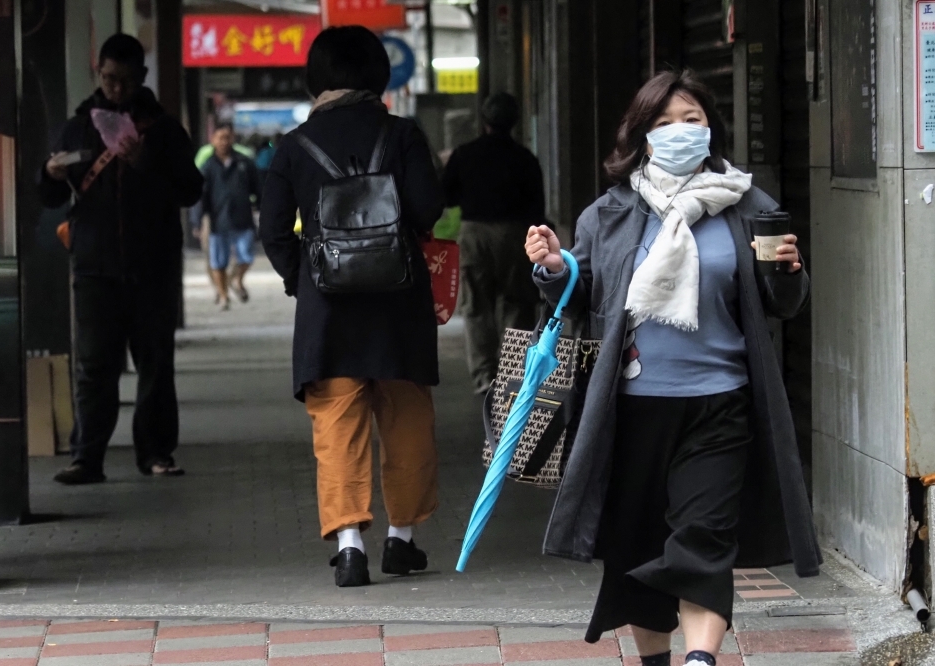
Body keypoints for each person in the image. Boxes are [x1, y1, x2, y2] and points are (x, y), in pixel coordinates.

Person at [524, 69, 820, 666]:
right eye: (664, 123)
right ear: (641, 135)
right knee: (637, 545)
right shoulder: (609, 213)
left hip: (721, 401)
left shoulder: (747, 205)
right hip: (633, 408)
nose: (681, 132)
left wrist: (789, 272)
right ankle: (658, 658)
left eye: (693, 120)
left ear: (712, 128)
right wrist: (554, 267)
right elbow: (581, 295)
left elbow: (780, 305)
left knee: (704, 537)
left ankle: (701, 659)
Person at [260, 26, 444, 587]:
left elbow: (273, 232)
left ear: (315, 79)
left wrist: (307, 283)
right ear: (378, 76)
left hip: (329, 315)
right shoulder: (403, 134)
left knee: (337, 427)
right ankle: (402, 541)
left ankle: (349, 548)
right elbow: (427, 208)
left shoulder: (292, 147)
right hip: (398, 307)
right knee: (406, 417)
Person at [39, 34, 203, 484]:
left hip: (153, 267)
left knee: (154, 363)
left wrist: (145, 162)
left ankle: (155, 453)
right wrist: (49, 174)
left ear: (141, 79)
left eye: (125, 81)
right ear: (99, 73)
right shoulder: (78, 127)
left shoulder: (164, 130)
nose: (115, 89)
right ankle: (86, 457)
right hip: (93, 266)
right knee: (94, 365)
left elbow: (191, 189)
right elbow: (49, 195)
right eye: (109, 79)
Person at [442, 92, 545, 395]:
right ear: (514, 121)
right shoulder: (525, 158)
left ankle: (485, 375)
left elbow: (447, 196)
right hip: (515, 235)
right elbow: (537, 205)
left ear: (484, 120)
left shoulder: (464, 154)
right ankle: (513, 371)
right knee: (518, 303)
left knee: (476, 306)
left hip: (475, 233)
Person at [191, 121, 261, 310]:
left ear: (233, 139)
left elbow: (259, 189)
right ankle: (223, 297)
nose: (223, 142)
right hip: (217, 220)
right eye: (220, 138)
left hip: (242, 217)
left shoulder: (244, 163)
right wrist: (197, 221)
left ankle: (236, 279)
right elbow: (199, 195)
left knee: (246, 257)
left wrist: (263, 209)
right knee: (218, 262)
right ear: (212, 140)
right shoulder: (207, 165)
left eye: (227, 137)